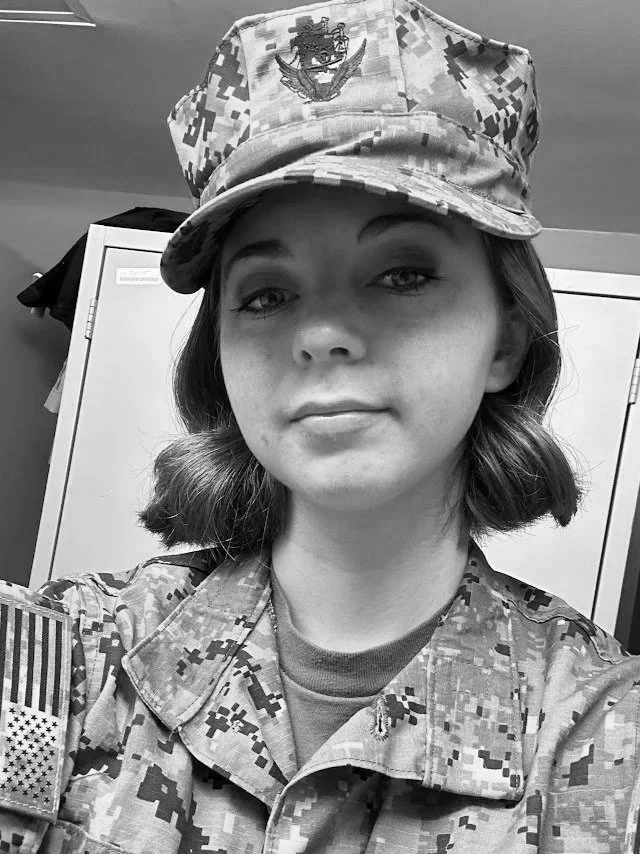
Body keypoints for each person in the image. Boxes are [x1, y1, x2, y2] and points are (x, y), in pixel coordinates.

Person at [1, 1, 639, 851]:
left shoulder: (604, 734)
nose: (322, 332)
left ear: (508, 337)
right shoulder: (59, 659)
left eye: (403, 274)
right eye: (266, 294)